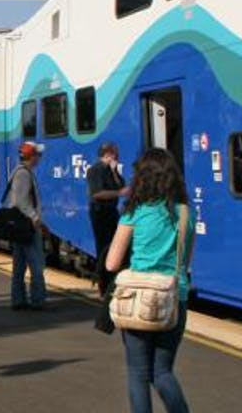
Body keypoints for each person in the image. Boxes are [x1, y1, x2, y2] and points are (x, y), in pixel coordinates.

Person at [107, 148, 195, 413]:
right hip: (173, 298)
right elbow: (185, 262)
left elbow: (112, 262)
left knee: (137, 373)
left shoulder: (136, 212)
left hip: (137, 298)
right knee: (162, 371)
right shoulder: (185, 214)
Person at [8, 141, 47, 311]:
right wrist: (35, 218)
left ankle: (18, 300)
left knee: (20, 265)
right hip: (27, 226)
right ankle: (37, 300)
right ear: (32, 156)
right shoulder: (23, 174)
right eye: (38, 155)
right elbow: (20, 202)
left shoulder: (21, 172)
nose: (40, 158)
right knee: (36, 265)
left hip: (21, 226)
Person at [87, 141, 128, 297]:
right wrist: (119, 194)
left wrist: (115, 171)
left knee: (114, 246)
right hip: (100, 212)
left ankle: (111, 281)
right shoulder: (95, 170)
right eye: (115, 153)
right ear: (108, 154)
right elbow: (96, 193)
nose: (118, 156)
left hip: (111, 211)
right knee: (104, 248)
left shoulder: (111, 170)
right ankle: (103, 286)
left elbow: (120, 185)